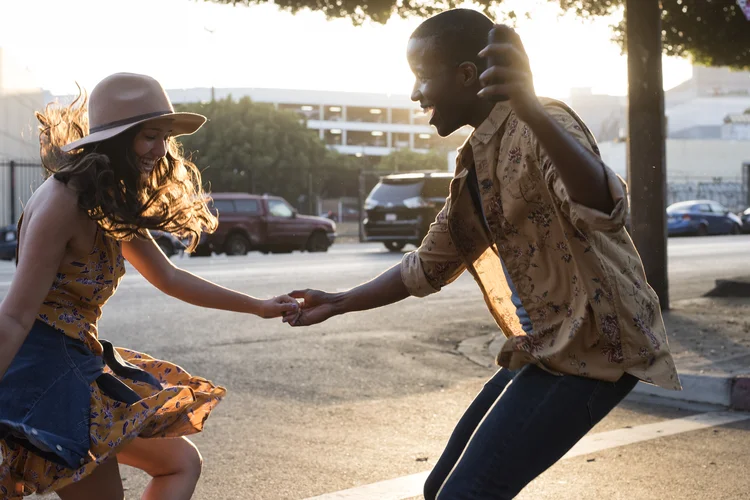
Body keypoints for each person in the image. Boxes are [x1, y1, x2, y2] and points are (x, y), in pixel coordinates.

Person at [284, 9, 680, 499]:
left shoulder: (543, 122)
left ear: (466, 76)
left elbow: (604, 205)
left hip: (600, 346)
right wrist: (340, 301)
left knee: (466, 494)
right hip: (550, 345)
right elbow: (428, 265)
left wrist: (532, 108)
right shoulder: (477, 160)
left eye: (421, 78)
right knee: (439, 490)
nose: (414, 94)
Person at [0, 72, 300, 499]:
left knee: (181, 463)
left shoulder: (102, 197)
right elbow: (14, 316)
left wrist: (259, 306)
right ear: (115, 139)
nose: (159, 150)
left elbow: (169, 277)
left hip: (76, 364)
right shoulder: (63, 202)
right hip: (45, 377)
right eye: (148, 137)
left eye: (164, 138)